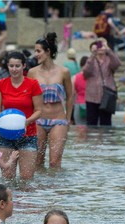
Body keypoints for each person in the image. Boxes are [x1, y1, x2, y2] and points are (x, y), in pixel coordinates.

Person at [0, 51, 43, 180]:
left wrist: (25, 122)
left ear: (24, 66)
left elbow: (39, 111)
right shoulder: (0, 84)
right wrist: (2, 119)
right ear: (7, 67)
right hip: (6, 136)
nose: (14, 69)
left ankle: (26, 201)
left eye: (17, 66)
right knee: (7, 178)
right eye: (11, 66)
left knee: (26, 180)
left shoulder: (33, 84)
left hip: (28, 135)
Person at [27, 32, 73, 171]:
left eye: (38, 51)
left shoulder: (64, 72)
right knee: (37, 162)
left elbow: (70, 97)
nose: (35, 54)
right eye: (35, 51)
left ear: (48, 51)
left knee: (54, 162)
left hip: (58, 120)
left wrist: (68, 119)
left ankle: (56, 191)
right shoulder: (32, 72)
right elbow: (29, 98)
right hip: (38, 121)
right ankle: (41, 192)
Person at [82, 38, 121, 126]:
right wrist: (93, 55)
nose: (100, 47)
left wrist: (108, 50)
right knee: (91, 123)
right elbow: (86, 72)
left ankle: (106, 140)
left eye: (102, 45)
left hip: (107, 97)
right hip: (92, 97)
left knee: (106, 123)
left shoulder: (109, 59)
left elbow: (117, 64)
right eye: (99, 44)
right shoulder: (91, 60)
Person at [72, 56, 89, 125]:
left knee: (79, 128)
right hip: (90, 105)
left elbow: (72, 94)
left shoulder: (74, 77)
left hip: (78, 104)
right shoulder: (92, 78)